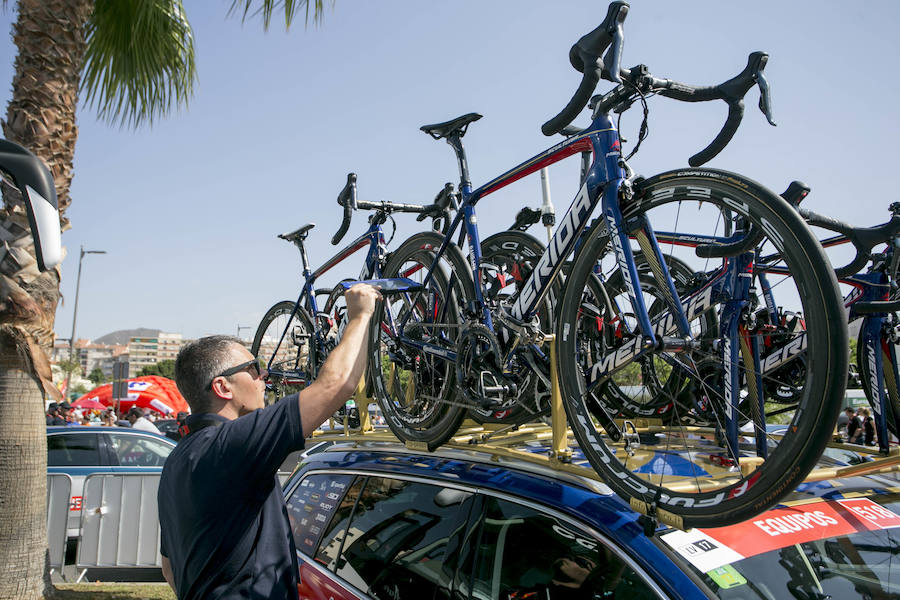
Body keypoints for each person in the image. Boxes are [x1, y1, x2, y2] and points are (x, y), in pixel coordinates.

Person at [158, 283, 379, 600]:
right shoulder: (231, 442)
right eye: (253, 369)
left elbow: (169, 568)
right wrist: (361, 315)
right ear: (223, 387)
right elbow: (336, 386)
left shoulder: (177, 460)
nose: (265, 377)